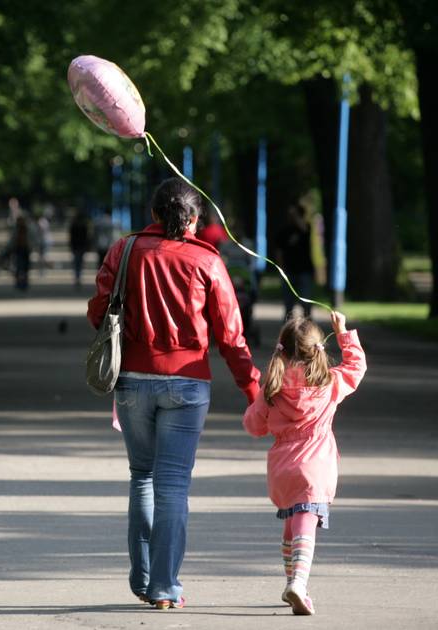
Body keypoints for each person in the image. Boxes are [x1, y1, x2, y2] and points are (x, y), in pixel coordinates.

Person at [87, 178, 261, 610]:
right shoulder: (208, 261)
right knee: (173, 485)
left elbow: (97, 312)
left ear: (153, 214)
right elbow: (231, 337)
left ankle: (144, 578)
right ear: (194, 219)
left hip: (132, 379)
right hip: (187, 383)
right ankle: (165, 588)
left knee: (142, 476)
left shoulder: (124, 250)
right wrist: (252, 388)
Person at [241, 311, 366, 616]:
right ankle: (298, 582)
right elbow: (356, 366)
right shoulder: (329, 383)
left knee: (291, 529)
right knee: (305, 523)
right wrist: (342, 331)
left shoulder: (272, 389)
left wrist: (260, 400)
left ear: (281, 351)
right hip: (315, 465)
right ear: (317, 350)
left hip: (283, 469)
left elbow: (253, 426)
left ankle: (294, 584)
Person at [275, 203, 314, 320]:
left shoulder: (305, 227)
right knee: (288, 304)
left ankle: (308, 327)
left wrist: (297, 216)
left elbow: (305, 229)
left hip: (304, 271)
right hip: (288, 271)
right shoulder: (283, 231)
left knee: (306, 303)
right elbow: (279, 252)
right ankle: (288, 328)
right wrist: (281, 269)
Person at [68, 210, 91, 289]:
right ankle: (79, 277)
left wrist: (70, 246)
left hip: (75, 246)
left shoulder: (73, 225)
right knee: (80, 262)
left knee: (76, 262)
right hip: (82, 246)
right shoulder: (84, 226)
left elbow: (71, 237)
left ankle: (77, 277)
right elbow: (87, 237)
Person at [10, 215, 34, 291]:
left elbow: (32, 239)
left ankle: (25, 283)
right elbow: (12, 240)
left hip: (26, 250)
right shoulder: (16, 230)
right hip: (18, 250)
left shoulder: (28, 229)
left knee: (26, 267)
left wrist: (32, 247)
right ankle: (18, 282)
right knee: (18, 267)